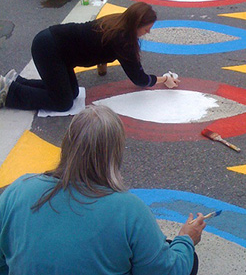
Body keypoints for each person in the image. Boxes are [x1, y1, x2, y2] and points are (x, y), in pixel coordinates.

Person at [0, 105, 205, 274]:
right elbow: (167, 271)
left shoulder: (19, 189)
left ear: (67, 145)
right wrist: (186, 239)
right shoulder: (128, 210)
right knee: (185, 259)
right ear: (114, 155)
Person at [0, 2, 179, 111]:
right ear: (136, 24)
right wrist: (164, 79)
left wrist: (103, 64)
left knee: (73, 93)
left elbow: (99, 47)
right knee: (62, 103)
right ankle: (9, 92)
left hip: (55, 45)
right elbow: (139, 78)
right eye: (146, 29)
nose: (146, 33)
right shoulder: (123, 39)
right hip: (49, 49)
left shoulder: (117, 21)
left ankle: (18, 82)